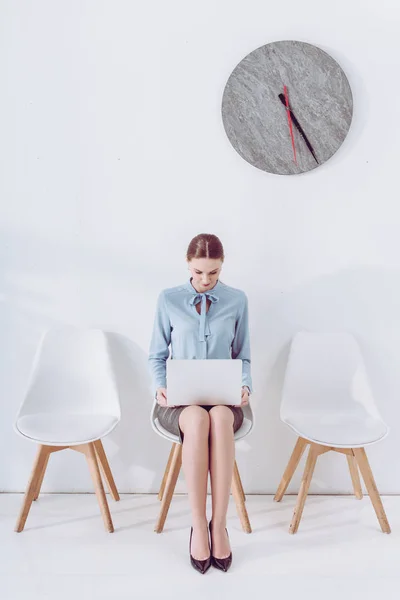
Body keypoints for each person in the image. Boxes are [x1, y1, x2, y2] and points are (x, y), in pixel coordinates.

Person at [148, 233, 252, 574]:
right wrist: (161, 386)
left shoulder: (237, 300)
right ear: (187, 265)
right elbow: (156, 356)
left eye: (213, 272)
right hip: (178, 402)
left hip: (224, 398)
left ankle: (218, 525)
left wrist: (244, 385)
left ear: (222, 267)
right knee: (197, 421)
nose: (205, 280)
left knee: (219, 419)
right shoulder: (169, 299)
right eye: (198, 272)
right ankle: (197, 525)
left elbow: (243, 356)